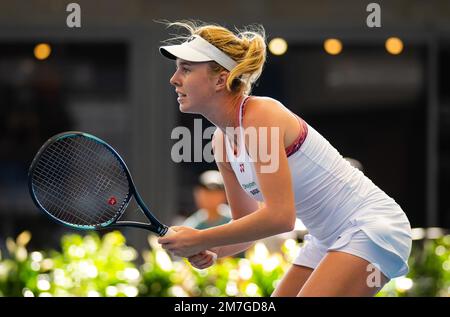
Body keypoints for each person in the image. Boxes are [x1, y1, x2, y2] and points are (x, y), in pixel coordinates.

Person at [157, 21, 412, 296]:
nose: (174, 79)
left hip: (370, 225)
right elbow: (247, 225)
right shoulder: (221, 142)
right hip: (326, 238)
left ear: (221, 79)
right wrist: (210, 249)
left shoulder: (260, 116)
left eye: (186, 69)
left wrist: (200, 237)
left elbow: (280, 217)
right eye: (177, 68)